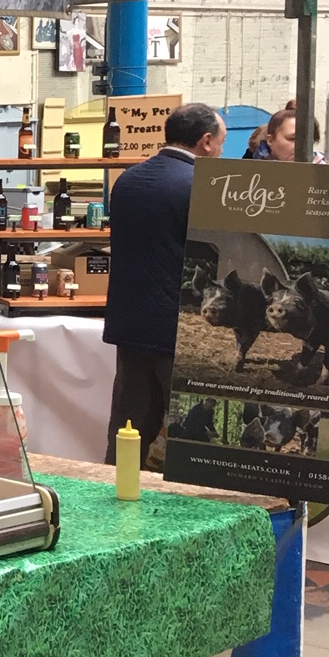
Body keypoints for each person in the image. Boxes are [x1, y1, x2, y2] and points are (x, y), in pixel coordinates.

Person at [103, 102, 228, 464]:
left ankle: (114, 505)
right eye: (220, 143)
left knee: (127, 434)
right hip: (176, 330)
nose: (220, 151)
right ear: (205, 141)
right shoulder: (200, 186)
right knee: (189, 436)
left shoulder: (128, 179)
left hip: (129, 324)